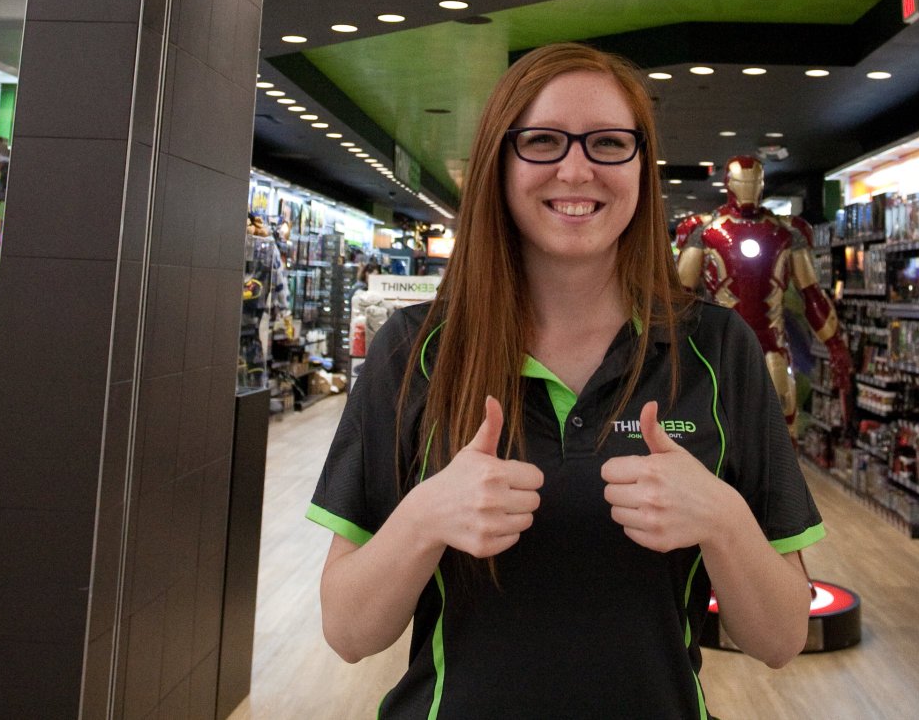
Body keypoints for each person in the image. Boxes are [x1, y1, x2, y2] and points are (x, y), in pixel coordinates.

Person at [309, 43, 824, 718]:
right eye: (544, 141)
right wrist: (427, 516)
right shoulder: (413, 350)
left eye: (609, 142)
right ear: (500, 161)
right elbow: (348, 631)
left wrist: (723, 518)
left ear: (642, 165)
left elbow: (782, 636)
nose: (576, 168)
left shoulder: (717, 348)